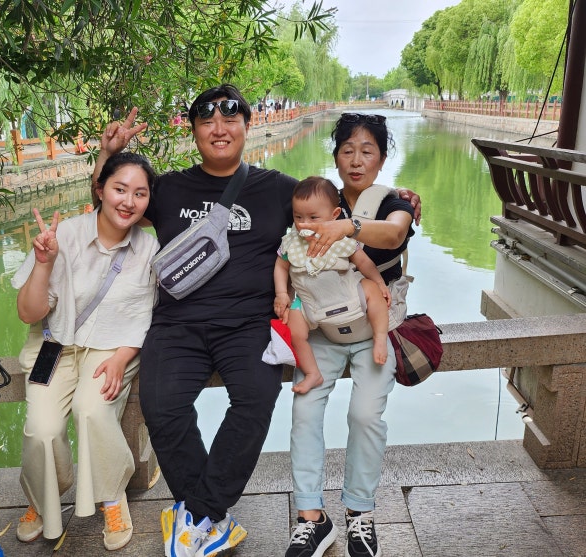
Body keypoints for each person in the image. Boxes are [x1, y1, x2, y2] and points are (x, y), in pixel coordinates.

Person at [94, 93, 421, 557]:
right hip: (176, 324)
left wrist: (397, 199)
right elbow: (113, 207)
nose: (219, 129)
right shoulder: (167, 188)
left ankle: (196, 515)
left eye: (231, 119)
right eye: (207, 121)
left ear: (248, 126)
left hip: (249, 325)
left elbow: (332, 203)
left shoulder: (278, 188)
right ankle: (209, 517)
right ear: (194, 131)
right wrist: (107, 157)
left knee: (255, 398)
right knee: (161, 404)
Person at [10, 152, 159, 551]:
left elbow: (144, 317)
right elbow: (28, 313)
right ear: (100, 189)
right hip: (54, 346)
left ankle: (111, 496)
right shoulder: (65, 235)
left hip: (111, 347)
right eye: (120, 189)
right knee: (42, 428)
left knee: (92, 409)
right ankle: (42, 497)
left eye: (140, 193)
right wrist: (44, 263)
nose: (128, 201)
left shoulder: (147, 249)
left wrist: (122, 358)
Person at [284, 113, 415, 557]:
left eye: (367, 151)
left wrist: (348, 227)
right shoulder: (319, 198)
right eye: (347, 151)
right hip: (322, 329)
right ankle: (311, 517)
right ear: (336, 156)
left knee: (364, 415)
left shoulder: (394, 202)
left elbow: (394, 233)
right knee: (304, 411)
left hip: (374, 329)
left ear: (382, 158)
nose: (356, 161)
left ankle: (360, 511)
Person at [272, 176, 391, 395]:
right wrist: (282, 293)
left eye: (313, 217)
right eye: (298, 217)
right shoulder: (291, 242)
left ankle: (381, 338)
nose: (304, 224)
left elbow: (364, 262)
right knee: (294, 331)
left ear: (334, 215)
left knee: (373, 292)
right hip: (309, 303)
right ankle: (312, 373)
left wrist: (379, 282)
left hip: (348, 292)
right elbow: (281, 266)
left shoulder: (340, 238)